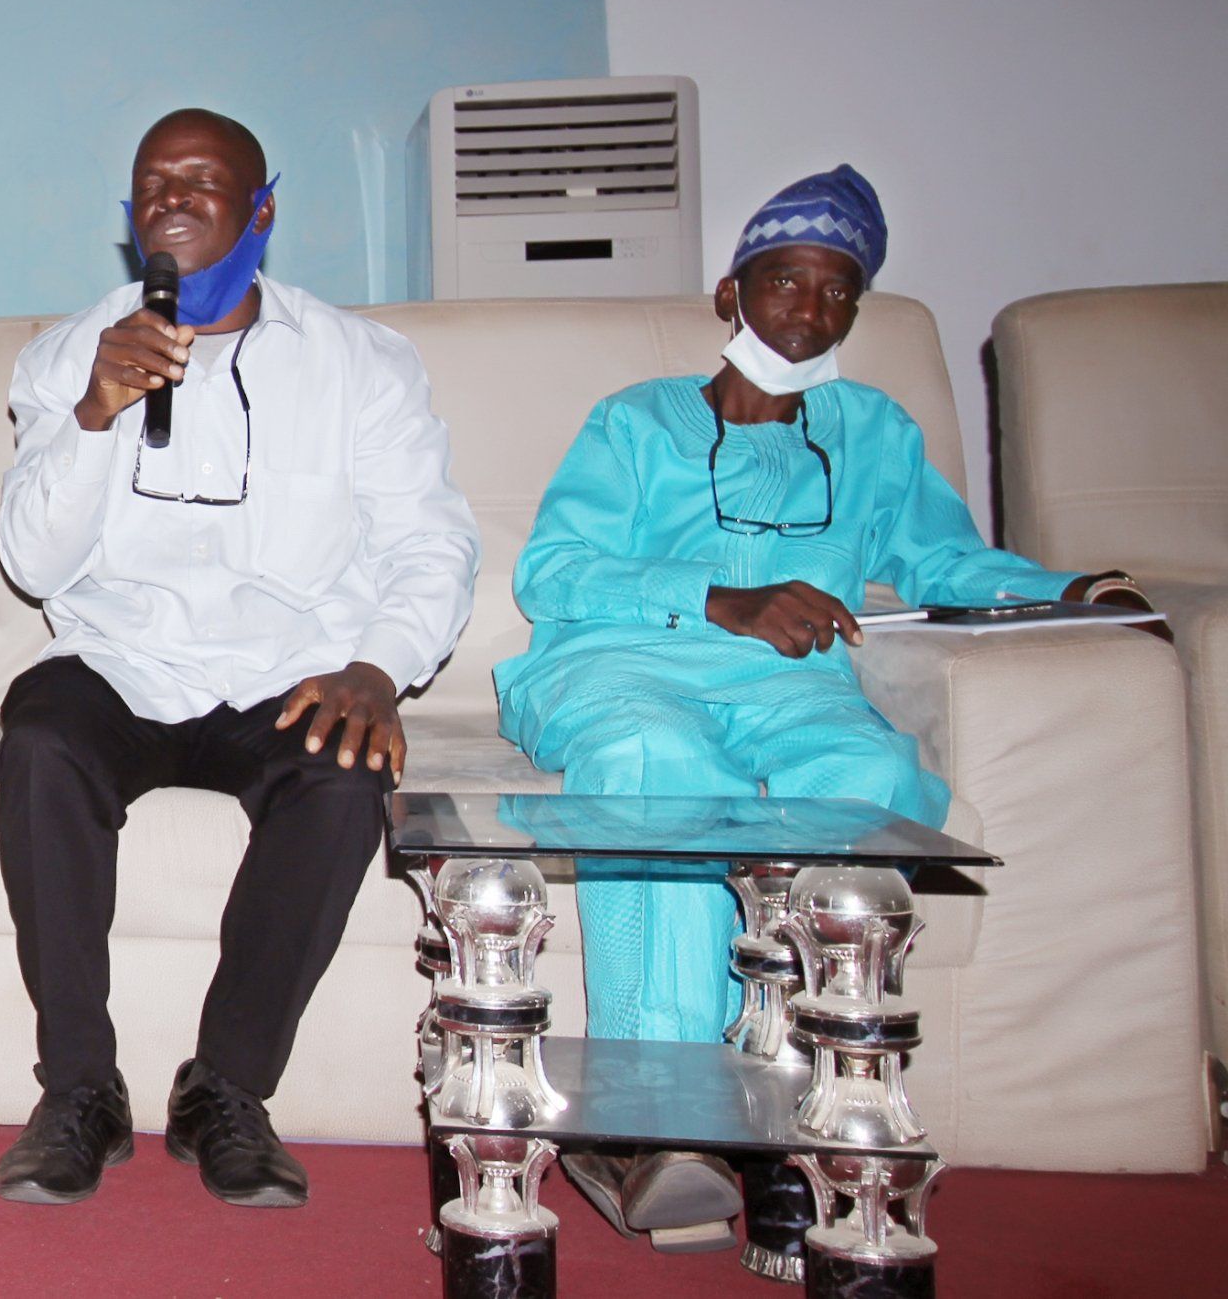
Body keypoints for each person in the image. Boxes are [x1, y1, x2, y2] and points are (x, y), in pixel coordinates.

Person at [493, 164, 1161, 1249]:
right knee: (659, 761)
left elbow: (945, 557)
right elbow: (554, 573)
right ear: (731, 294)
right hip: (621, 663)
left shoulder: (874, 432)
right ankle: (657, 1115)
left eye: (837, 289)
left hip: (792, 682)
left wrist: (1075, 589)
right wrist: (721, 596)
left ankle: (793, 1098)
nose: (809, 308)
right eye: (785, 281)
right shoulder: (637, 420)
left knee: (869, 777)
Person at [0, 109, 480, 1209]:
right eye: (152, 183)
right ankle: (78, 1089)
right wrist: (94, 415)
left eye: (201, 179)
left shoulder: (359, 362)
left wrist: (378, 668)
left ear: (262, 209)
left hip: (287, 673)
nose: (171, 197)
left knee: (349, 770)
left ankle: (226, 1088)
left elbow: (431, 541)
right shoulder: (68, 355)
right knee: (40, 737)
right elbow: (32, 561)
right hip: (124, 661)